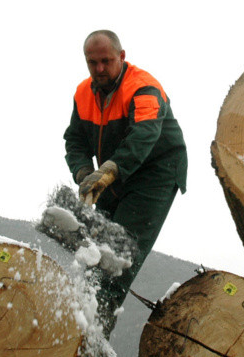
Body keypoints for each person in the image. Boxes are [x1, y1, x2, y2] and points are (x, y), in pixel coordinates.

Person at [64, 30, 187, 337]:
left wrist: (108, 170)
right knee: (93, 253)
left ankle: (93, 338)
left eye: (106, 61)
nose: (100, 69)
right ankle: (73, 322)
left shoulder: (144, 88)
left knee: (118, 258)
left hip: (154, 175)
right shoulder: (83, 93)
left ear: (121, 56)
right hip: (114, 175)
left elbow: (144, 135)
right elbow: (75, 140)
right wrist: (83, 174)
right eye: (93, 62)